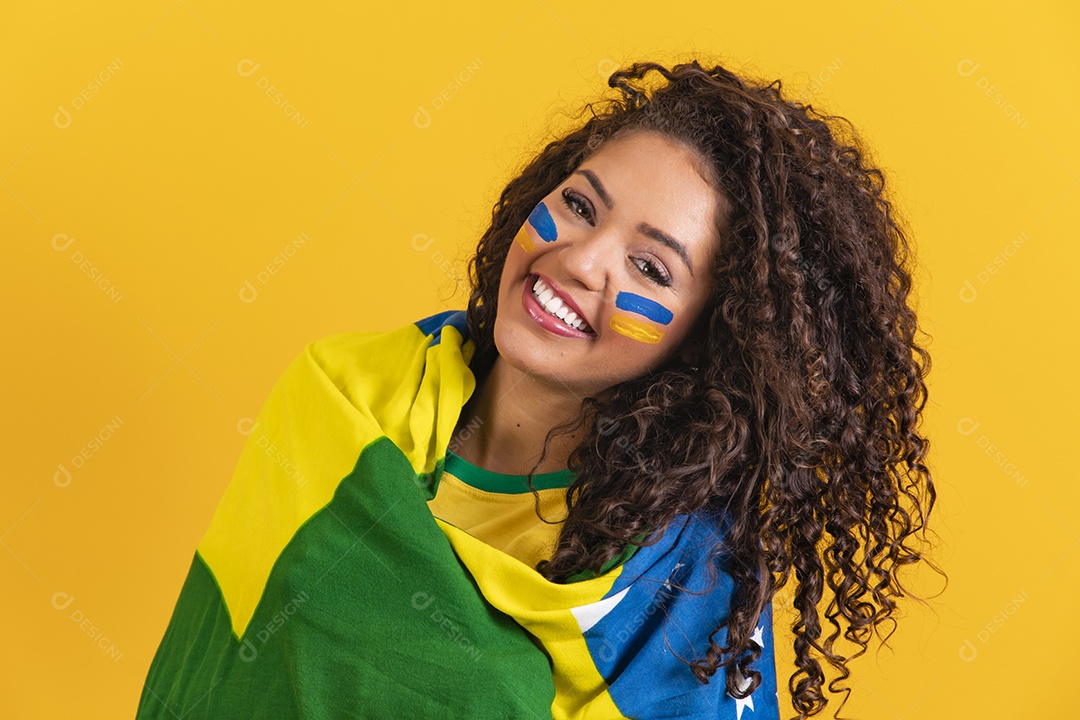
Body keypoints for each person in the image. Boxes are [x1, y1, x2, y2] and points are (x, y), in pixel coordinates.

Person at [135, 59, 940, 720]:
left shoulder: (687, 585)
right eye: (582, 206)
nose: (584, 261)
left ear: (710, 338)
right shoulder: (341, 400)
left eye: (651, 267)